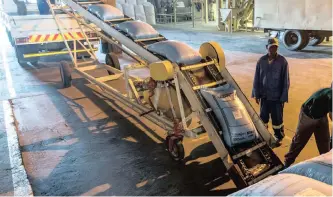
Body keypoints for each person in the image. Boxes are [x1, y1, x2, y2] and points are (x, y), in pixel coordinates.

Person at [252, 37, 290, 144]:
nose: (273, 49)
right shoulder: (261, 61)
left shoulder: (282, 62)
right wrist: (256, 94)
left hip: (276, 97)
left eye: (275, 47)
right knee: (263, 118)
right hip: (264, 96)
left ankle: (279, 136)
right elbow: (257, 78)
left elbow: (286, 81)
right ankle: (263, 135)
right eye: (271, 47)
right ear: (266, 47)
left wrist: (283, 97)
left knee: (277, 119)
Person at [284, 85, 332, 168]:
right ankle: (287, 163)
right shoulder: (331, 96)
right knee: (300, 141)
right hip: (308, 115)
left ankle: (326, 163)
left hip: (321, 115)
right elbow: (332, 116)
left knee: (324, 141)